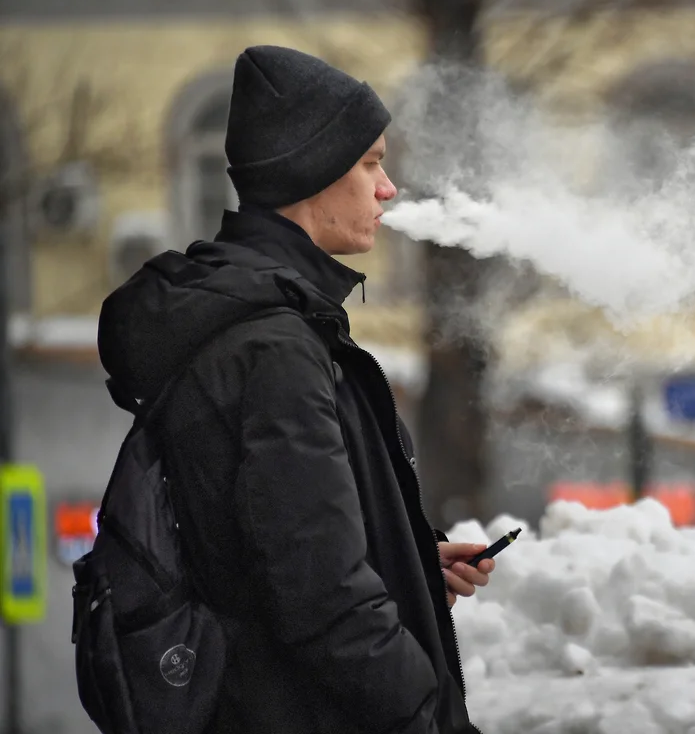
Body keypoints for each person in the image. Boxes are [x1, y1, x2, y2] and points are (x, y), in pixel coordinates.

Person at [97, 45, 494, 733]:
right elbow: (323, 602)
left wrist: (403, 558)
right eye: (371, 162)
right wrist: (426, 717)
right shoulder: (274, 350)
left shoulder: (258, 330)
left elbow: (270, 548)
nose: (387, 188)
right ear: (310, 170)